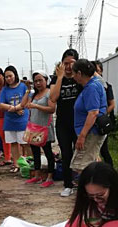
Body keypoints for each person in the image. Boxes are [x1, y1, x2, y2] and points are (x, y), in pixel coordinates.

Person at [50, 49, 82, 197]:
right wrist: (60, 77)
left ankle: (83, 184)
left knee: (81, 154)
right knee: (66, 154)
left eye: (72, 63)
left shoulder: (80, 78)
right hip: (63, 122)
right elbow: (53, 98)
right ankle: (68, 184)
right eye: (66, 63)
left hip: (79, 123)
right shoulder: (56, 79)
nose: (69, 67)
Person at [70, 59, 107, 174]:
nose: (73, 76)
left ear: (79, 73)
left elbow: (93, 113)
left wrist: (82, 136)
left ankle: (93, 189)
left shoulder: (92, 87)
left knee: (81, 166)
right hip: (90, 132)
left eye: (74, 73)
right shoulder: (94, 82)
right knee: (90, 162)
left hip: (90, 133)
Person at [25, 71, 56, 188]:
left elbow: (52, 109)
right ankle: (37, 175)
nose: (38, 83)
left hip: (44, 128)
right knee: (35, 152)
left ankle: (50, 177)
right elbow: (26, 104)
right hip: (34, 128)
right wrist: (28, 89)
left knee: (48, 152)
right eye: (36, 81)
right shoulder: (33, 94)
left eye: (40, 80)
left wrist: (36, 106)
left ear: (46, 80)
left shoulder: (49, 93)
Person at [0, 65, 29, 173]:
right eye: (6, 77)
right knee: (13, 143)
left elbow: (27, 101)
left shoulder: (23, 87)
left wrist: (17, 108)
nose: (8, 79)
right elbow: (1, 105)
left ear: (15, 75)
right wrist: (15, 109)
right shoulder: (5, 89)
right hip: (10, 121)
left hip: (22, 120)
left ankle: (28, 163)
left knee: (25, 143)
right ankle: (16, 164)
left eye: (10, 76)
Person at [92, 61, 116, 167]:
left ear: (101, 71)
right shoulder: (89, 87)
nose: (95, 74)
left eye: (96, 71)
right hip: (91, 121)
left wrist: (101, 116)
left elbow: (112, 105)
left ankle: (110, 171)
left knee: (103, 150)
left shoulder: (106, 86)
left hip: (102, 123)